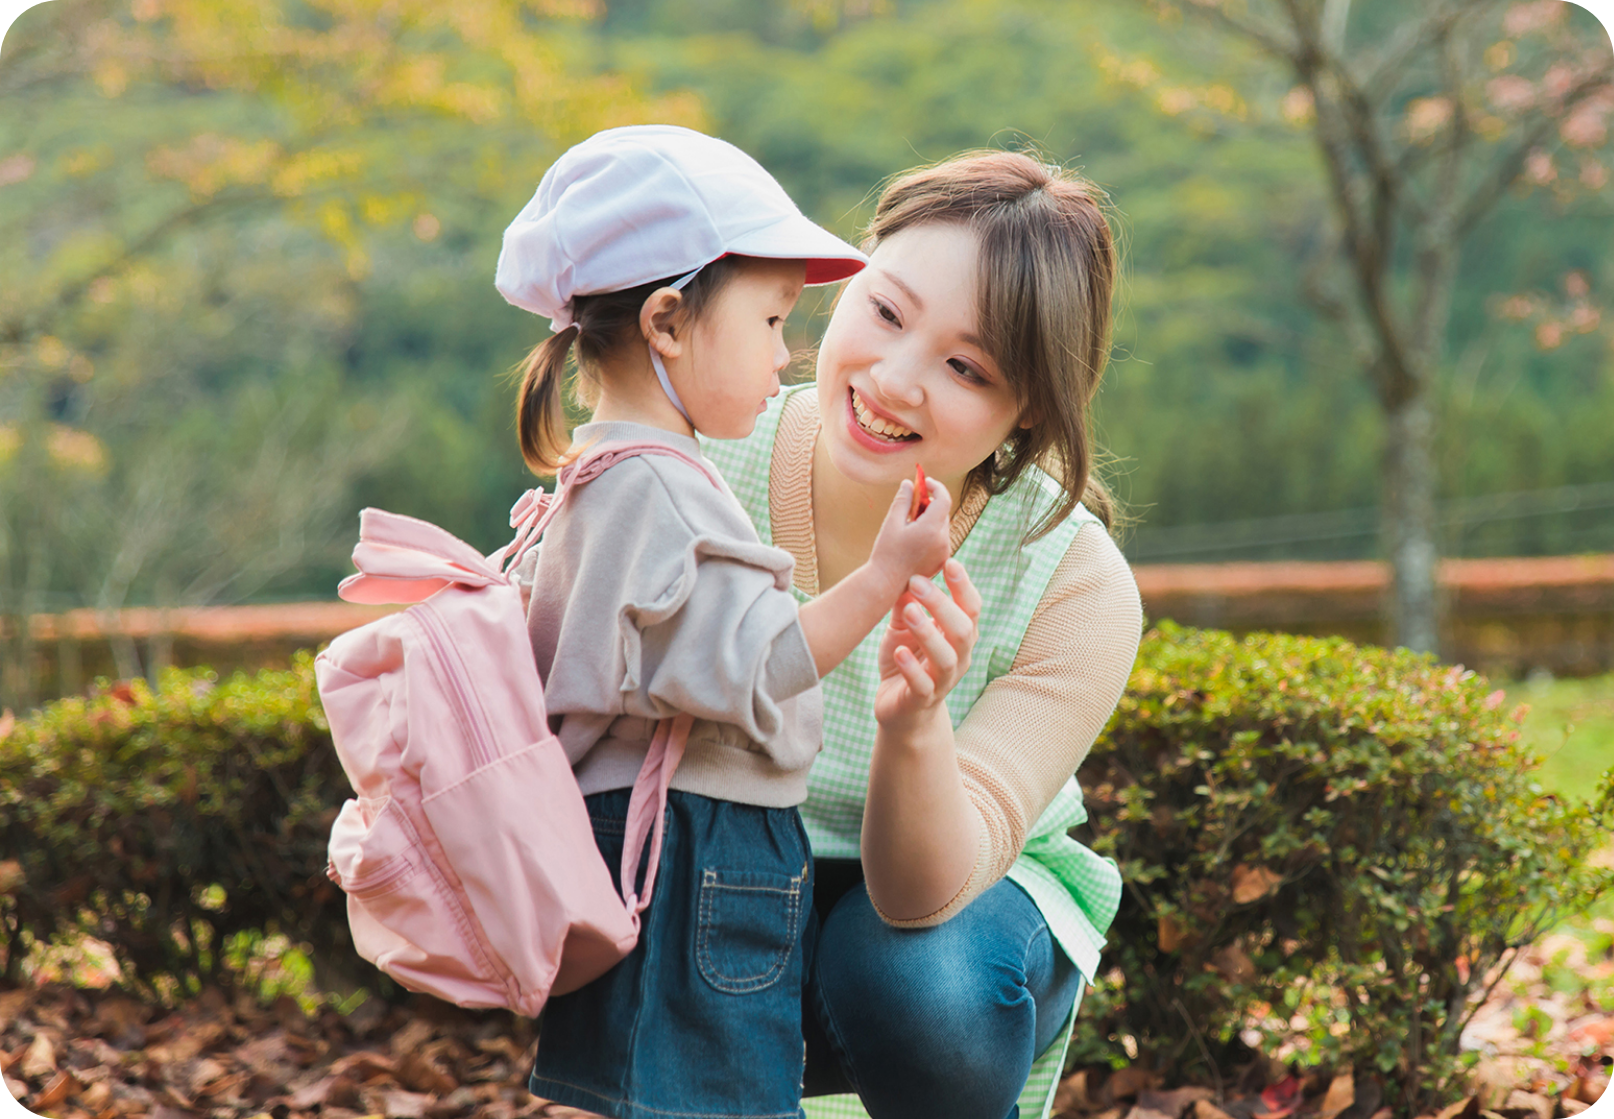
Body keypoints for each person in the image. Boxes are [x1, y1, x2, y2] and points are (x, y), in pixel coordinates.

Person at [493, 125, 956, 1119]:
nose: (785, 357)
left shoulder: (596, 477)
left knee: (642, 1097)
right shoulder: (665, 491)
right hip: (704, 847)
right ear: (667, 321)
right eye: (770, 320)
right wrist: (886, 575)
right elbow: (766, 661)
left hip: (634, 839)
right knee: (726, 1097)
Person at [698, 149, 1143, 1119]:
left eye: (965, 367)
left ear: (1029, 409)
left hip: (955, 908)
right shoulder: (694, 468)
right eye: (887, 312)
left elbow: (919, 897)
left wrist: (914, 726)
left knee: (911, 975)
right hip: (728, 877)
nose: (895, 380)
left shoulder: (1070, 581)